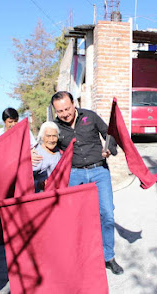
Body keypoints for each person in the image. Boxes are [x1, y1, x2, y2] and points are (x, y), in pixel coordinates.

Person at [51, 91, 124, 275]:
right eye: (60, 111)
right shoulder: (55, 127)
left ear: (74, 104)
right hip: (74, 175)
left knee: (107, 214)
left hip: (99, 172)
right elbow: (46, 144)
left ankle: (109, 257)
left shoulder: (90, 116)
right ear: (55, 111)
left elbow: (110, 134)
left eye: (67, 108)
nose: (65, 114)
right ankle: (81, 257)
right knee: (77, 219)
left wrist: (110, 149)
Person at [32, 121, 62, 192]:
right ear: (42, 137)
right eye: (48, 136)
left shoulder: (58, 152)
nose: (51, 140)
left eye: (54, 136)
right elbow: (27, 180)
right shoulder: (36, 154)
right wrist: (39, 184)